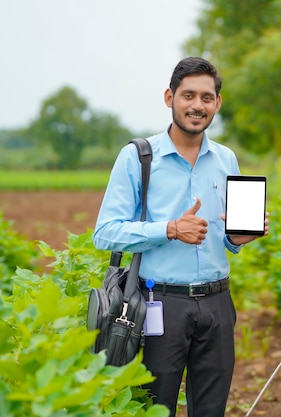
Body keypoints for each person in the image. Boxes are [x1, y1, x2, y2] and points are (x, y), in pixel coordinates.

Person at [93, 56, 268, 417]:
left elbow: (224, 239)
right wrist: (170, 229)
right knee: (156, 407)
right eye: (188, 95)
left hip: (218, 304)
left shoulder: (226, 159)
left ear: (217, 103)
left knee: (211, 408)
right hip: (159, 304)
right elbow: (106, 232)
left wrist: (237, 238)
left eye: (207, 97)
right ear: (169, 97)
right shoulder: (139, 157)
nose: (197, 105)